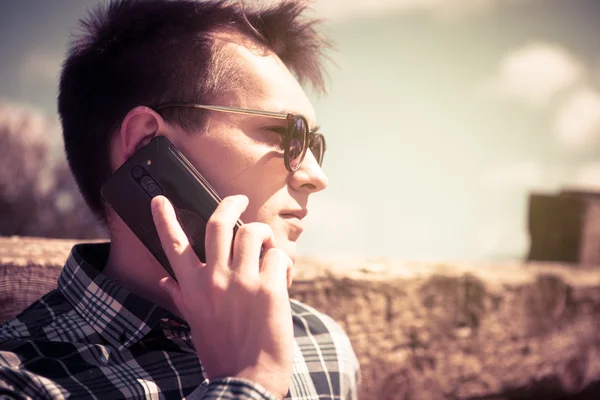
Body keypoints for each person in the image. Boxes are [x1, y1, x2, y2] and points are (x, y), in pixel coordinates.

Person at [0, 0, 360, 399]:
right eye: (285, 135)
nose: (316, 176)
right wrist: (252, 379)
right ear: (144, 143)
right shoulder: (21, 382)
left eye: (314, 144)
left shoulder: (323, 347)